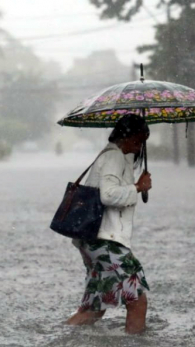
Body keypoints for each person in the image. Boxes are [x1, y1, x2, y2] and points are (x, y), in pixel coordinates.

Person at [65, 114, 152, 334]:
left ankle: (60, 339)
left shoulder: (114, 156)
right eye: (138, 140)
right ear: (126, 136)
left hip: (93, 240)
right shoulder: (114, 157)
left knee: (93, 309)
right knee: (137, 301)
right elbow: (109, 195)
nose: (139, 146)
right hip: (106, 242)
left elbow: (111, 192)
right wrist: (137, 188)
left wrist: (135, 185)